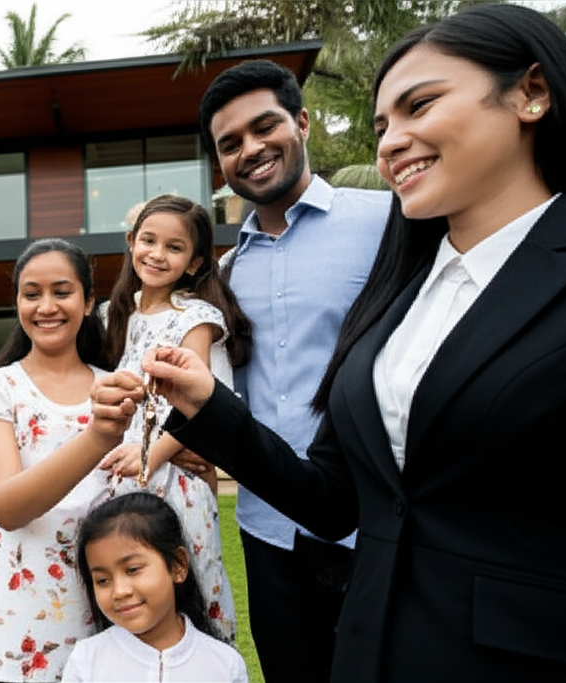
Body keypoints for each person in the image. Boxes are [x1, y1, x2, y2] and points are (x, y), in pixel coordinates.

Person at [114, 4, 566, 680]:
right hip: (308, 559)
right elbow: (336, 489)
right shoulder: (260, 276)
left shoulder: (391, 227)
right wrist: (206, 407)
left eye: (419, 105)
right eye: (382, 125)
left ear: (532, 93)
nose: (392, 143)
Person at [198, 58, 391, 682]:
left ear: (302, 122)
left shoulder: (389, 221)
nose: (250, 150)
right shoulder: (223, 277)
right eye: (230, 145)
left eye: (265, 127)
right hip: (269, 529)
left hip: (376, 524)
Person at [0, 239, 135, 683]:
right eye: (31, 294)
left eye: (62, 291)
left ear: (89, 301)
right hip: (19, 620)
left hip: (116, 611)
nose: (46, 306)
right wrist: (97, 437)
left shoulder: (121, 386)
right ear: (17, 302)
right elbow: (8, 507)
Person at [97, 193, 251, 643]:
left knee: (186, 583)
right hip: (121, 473)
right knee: (128, 593)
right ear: (131, 242)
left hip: (172, 472)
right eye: (148, 240)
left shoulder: (196, 318)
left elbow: (197, 403)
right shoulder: (114, 315)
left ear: (195, 262)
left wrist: (150, 455)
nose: (157, 254)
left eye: (174, 247)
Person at [62, 492, 249, 682]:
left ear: (178, 565)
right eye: (102, 580)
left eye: (133, 569)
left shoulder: (225, 665)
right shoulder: (86, 661)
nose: (119, 591)